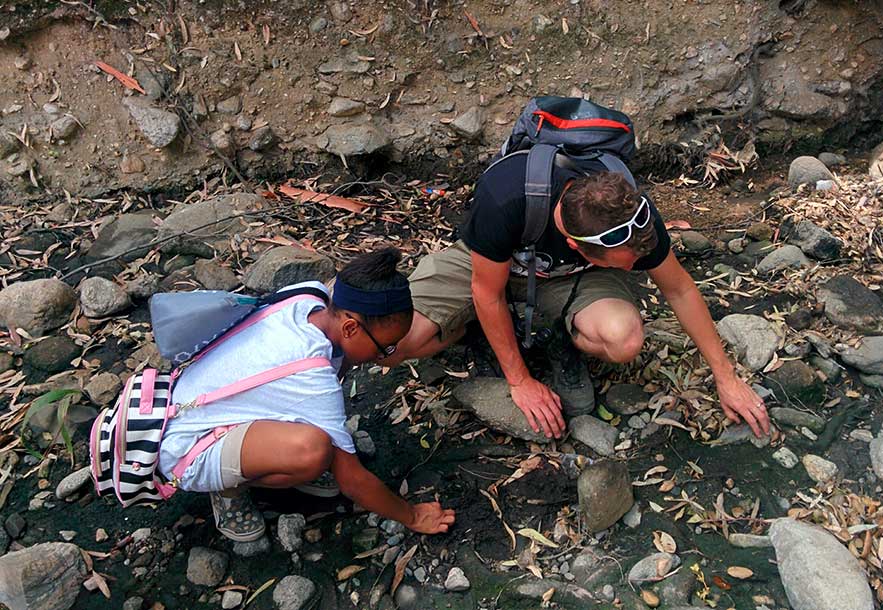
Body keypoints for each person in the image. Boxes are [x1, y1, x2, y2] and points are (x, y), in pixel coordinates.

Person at [382, 159, 771, 441]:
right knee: (395, 345)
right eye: (626, 264)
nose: (635, 267)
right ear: (576, 246)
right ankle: (480, 333)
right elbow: (487, 293)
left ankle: (556, 337)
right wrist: (520, 381)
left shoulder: (635, 216)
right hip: (488, 267)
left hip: (569, 280)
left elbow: (679, 289)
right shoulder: (506, 196)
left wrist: (725, 376)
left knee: (624, 339)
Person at [157, 248, 455, 542]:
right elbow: (353, 481)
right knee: (313, 453)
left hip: (187, 399)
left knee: (324, 444)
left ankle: (263, 457)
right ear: (350, 327)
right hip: (186, 448)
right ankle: (229, 490)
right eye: (384, 347)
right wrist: (412, 516)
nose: (384, 356)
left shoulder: (309, 297)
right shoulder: (313, 373)